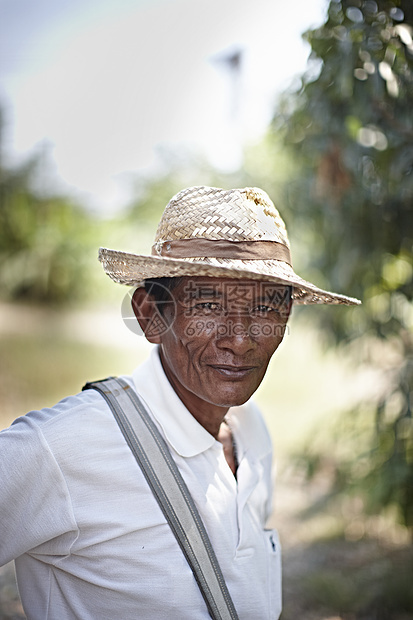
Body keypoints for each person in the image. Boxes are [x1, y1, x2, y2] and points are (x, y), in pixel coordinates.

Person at [0, 186, 359, 620]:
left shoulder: (251, 432)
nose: (241, 340)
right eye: (208, 303)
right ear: (151, 315)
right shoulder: (62, 448)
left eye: (265, 307)